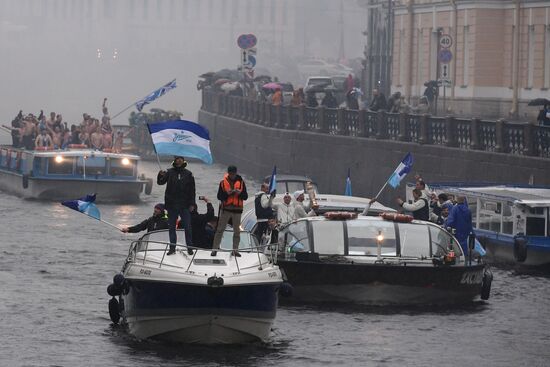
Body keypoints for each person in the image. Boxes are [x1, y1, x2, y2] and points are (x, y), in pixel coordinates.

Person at [157, 156, 196, 256]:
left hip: (184, 205)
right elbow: (160, 182)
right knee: (172, 228)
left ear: (183, 161)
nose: (179, 160)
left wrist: (192, 203)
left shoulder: (188, 174)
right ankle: (172, 248)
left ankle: (190, 247)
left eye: (180, 159)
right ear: (174, 161)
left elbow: (192, 190)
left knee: (187, 227)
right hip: (172, 205)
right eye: (177, 159)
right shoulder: (169, 172)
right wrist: (160, 175)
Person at [211, 165, 248, 257]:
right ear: (228, 173)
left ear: (236, 173)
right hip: (226, 210)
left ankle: (235, 250)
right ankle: (214, 249)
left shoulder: (242, 183)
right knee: (220, 230)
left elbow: (245, 196)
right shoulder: (223, 183)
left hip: (237, 211)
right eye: (230, 173)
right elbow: (219, 196)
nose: (232, 175)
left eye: (233, 173)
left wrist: (239, 193)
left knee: (237, 232)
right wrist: (227, 193)